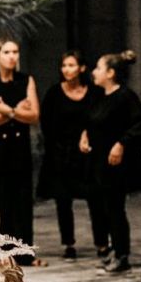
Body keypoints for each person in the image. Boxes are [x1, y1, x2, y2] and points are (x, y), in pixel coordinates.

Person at [80, 50, 141, 274]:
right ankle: (112, 249)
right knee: (102, 208)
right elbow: (92, 121)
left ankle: (122, 255)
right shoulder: (100, 95)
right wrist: (85, 135)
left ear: (110, 73)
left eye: (99, 68)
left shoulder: (125, 96)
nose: (94, 72)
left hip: (115, 165)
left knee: (115, 209)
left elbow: (140, 125)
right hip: (97, 161)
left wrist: (121, 143)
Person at [37, 50, 107, 260]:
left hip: (87, 153)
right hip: (61, 154)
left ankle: (102, 243)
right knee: (63, 200)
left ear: (82, 68)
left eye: (71, 65)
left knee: (96, 198)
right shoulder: (54, 93)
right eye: (64, 66)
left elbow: (100, 119)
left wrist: (89, 138)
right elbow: (46, 124)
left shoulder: (94, 93)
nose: (67, 70)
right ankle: (69, 244)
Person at [0, 37, 41, 265]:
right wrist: (17, 112)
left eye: (15, 52)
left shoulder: (26, 80)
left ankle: (23, 253)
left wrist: (7, 111)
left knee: (21, 200)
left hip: (19, 149)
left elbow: (33, 115)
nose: (12, 56)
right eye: (7, 52)